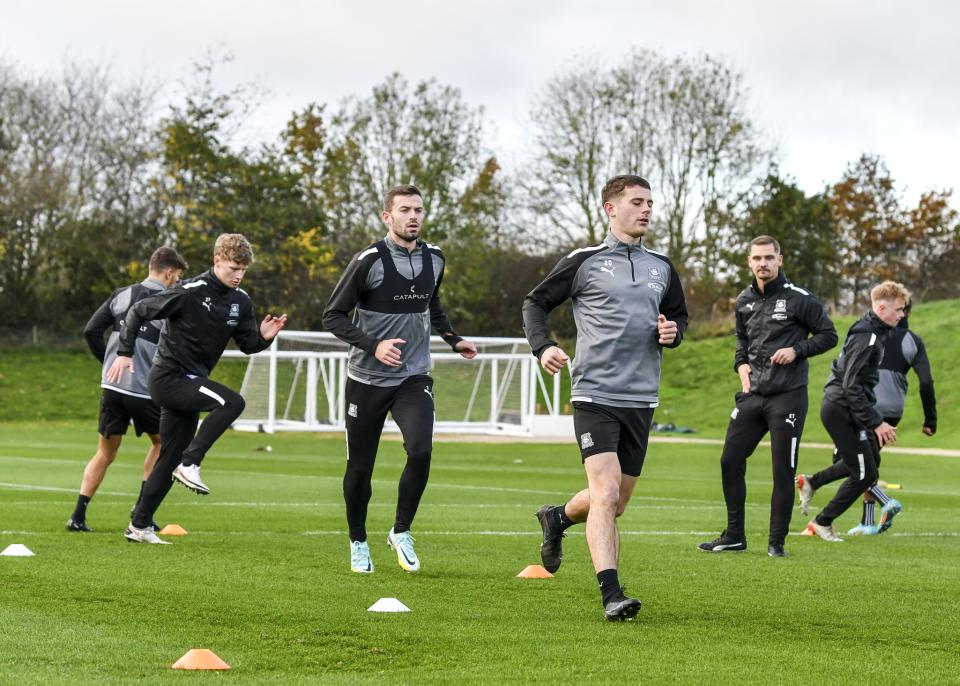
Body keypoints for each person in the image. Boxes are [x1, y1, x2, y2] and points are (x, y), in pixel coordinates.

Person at [524, 175, 688, 621]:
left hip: (642, 398)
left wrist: (673, 333)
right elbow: (535, 303)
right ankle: (612, 594)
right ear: (610, 208)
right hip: (594, 393)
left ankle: (558, 517)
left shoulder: (662, 266)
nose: (647, 209)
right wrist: (543, 346)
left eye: (650, 202)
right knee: (606, 490)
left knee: (616, 503)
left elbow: (678, 317)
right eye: (637, 202)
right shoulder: (584, 261)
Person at [322, 184, 477, 574]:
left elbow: (431, 302)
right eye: (405, 210)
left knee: (421, 450)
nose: (413, 217)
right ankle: (358, 541)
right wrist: (373, 345)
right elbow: (333, 316)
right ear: (386, 216)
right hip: (366, 380)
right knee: (360, 469)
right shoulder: (368, 261)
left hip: (413, 377)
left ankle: (401, 531)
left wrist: (453, 338)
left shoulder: (435, 258)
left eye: (418, 210)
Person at [106, 234, 287, 544]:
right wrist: (124, 352)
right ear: (217, 261)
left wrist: (264, 337)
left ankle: (139, 525)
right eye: (233, 268)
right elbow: (138, 311)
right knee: (232, 403)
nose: (239, 275)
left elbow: (248, 345)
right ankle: (191, 463)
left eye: (243, 270)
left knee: (169, 459)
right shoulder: (189, 291)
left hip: (190, 383)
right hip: (169, 378)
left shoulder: (241, 301)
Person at [698, 236, 837, 557]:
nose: (763, 263)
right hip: (753, 395)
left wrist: (797, 349)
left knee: (782, 471)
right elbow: (741, 339)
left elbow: (829, 335)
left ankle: (776, 543)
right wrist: (740, 365)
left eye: (769, 257)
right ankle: (734, 535)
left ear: (780, 260)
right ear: (749, 261)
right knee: (730, 460)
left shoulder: (800, 299)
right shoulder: (743, 300)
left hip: (788, 397)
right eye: (757, 258)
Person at [66, 247, 187, 532]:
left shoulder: (120, 294)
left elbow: (91, 331)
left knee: (105, 452)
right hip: (145, 388)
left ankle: (78, 516)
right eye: (177, 276)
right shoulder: (171, 301)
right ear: (169, 273)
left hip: (112, 385)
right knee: (163, 444)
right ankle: (141, 509)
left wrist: (108, 363)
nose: (178, 281)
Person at [796, 298, 936, 535]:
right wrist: (930, 418)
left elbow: (851, 379)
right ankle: (864, 519)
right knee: (865, 463)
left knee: (857, 463)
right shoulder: (906, 339)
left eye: (901, 310)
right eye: (898, 309)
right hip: (884, 410)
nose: (900, 314)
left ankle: (835, 504)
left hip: (863, 406)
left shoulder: (871, 331)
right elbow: (926, 382)